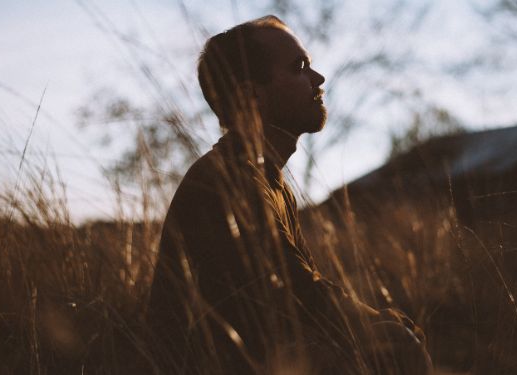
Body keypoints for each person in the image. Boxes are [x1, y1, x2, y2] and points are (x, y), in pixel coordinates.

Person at [148, 15, 431, 374]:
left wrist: (376, 320)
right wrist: (376, 322)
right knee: (395, 346)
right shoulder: (230, 180)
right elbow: (299, 295)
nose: (318, 79)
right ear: (252, 96)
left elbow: (301, 293)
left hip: (255, 358)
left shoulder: (271, 180)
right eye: (300, 67)